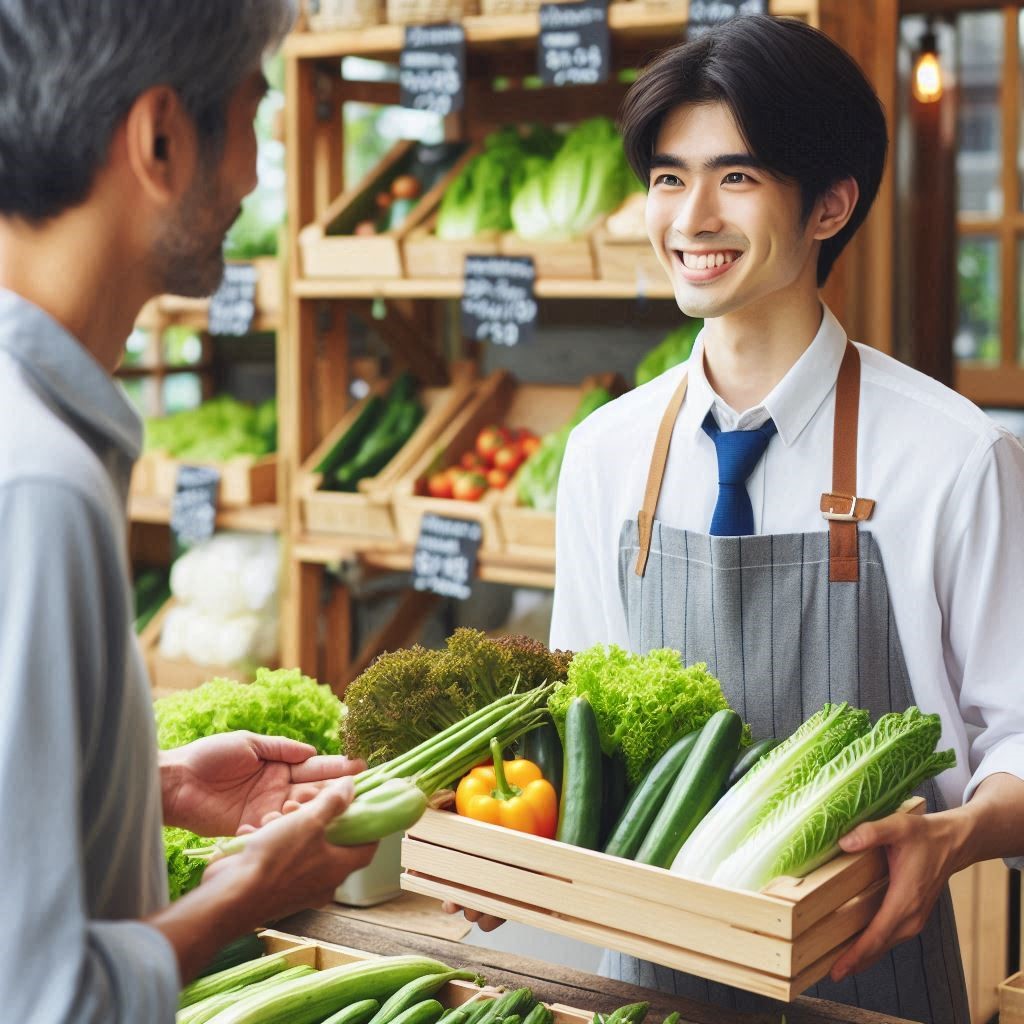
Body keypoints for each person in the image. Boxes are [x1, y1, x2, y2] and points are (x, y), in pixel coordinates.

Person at [545, 13, 1024, 1023]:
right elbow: (578, 709)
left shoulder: (952, 454)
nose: (690, 217)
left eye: (736, 177)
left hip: (868, 980)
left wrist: (955, 836)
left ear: (829, 206)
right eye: (668, 179)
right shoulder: (604, 455)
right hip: (637, 978)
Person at [0, 3, 376, 1021]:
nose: (256, 176)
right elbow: (41, 998)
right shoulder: (38, 480)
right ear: (161, 139)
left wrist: (148, 786)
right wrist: (244, 895)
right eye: (255, 115)